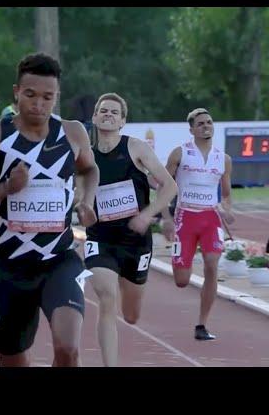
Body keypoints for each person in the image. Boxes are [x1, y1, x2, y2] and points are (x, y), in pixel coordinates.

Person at [0, 52, 99, 367]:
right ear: (16, 92)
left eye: (48, 97)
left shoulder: (73, 133)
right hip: (10, 268)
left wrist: (86, 200)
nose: (39, 104)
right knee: (12, 358)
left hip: (59, 260)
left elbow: (90, 170)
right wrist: (6, 188)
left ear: (56, 97)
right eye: (31, 95)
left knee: (68, 348)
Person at [82, 93, 177, 366]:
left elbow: (170, 186)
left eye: (114, 112)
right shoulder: (86, 157)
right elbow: (81, 195)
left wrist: (148, 215)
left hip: (135, 241)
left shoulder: (136, 148)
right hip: (100, 239)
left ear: (123, 121)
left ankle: (131, 291)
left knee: (131, 315)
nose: (108, 114)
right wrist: (83, 208)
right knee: (106, 298)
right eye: (103, 110)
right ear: (95, 117)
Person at [161, 108, 234, 341]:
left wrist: (226, 209)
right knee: (182, 280)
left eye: (209, 122)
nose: (206, 126)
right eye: (201, 123)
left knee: (212, 264)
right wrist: (166, 217)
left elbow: (226, 194)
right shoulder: (179, 154)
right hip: (185, 218)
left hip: (210, 218)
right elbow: (163, 186)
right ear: (192, 129)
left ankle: (202, 325)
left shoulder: (223, 159)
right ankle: (183, 265)